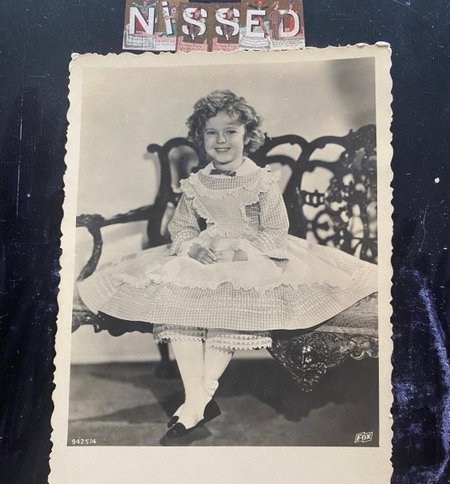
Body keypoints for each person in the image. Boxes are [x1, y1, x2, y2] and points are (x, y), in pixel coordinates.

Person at [78, 90, 377, 442]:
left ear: (247, 136)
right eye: (212, 133)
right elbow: (182, 227)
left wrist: (242, 254)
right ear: (201, 137)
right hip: (207, 256)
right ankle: (198, 401)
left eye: (231, 132)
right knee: (175, 307)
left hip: (253, 259)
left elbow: (276, 231)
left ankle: (197, 401)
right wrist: (192, 248)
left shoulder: (261, 180)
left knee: (229, 307)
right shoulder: (196, 183)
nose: (221, 141)